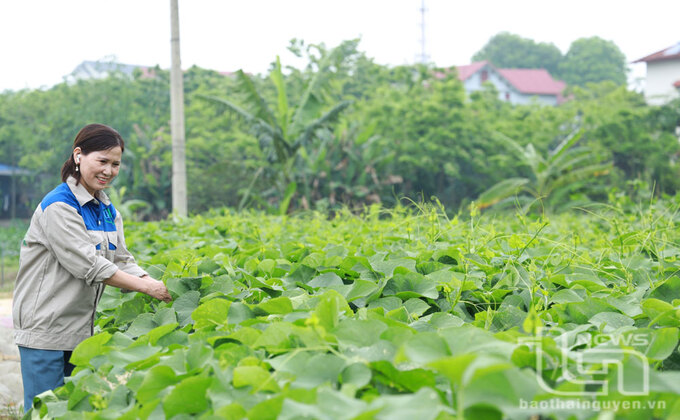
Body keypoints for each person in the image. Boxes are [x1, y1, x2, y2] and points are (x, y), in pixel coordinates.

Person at [12, 123, 172, 412]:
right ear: (78, 156)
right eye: (102, 161)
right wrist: (148, 288)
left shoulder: (107, 209)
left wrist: (157, 283)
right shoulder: (59, 206)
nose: (108, 171)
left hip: (81, 330)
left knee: (76, 411)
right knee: (45, 412)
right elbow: (90, 265)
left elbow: (122, 259)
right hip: (45, 329)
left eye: (115, 164)